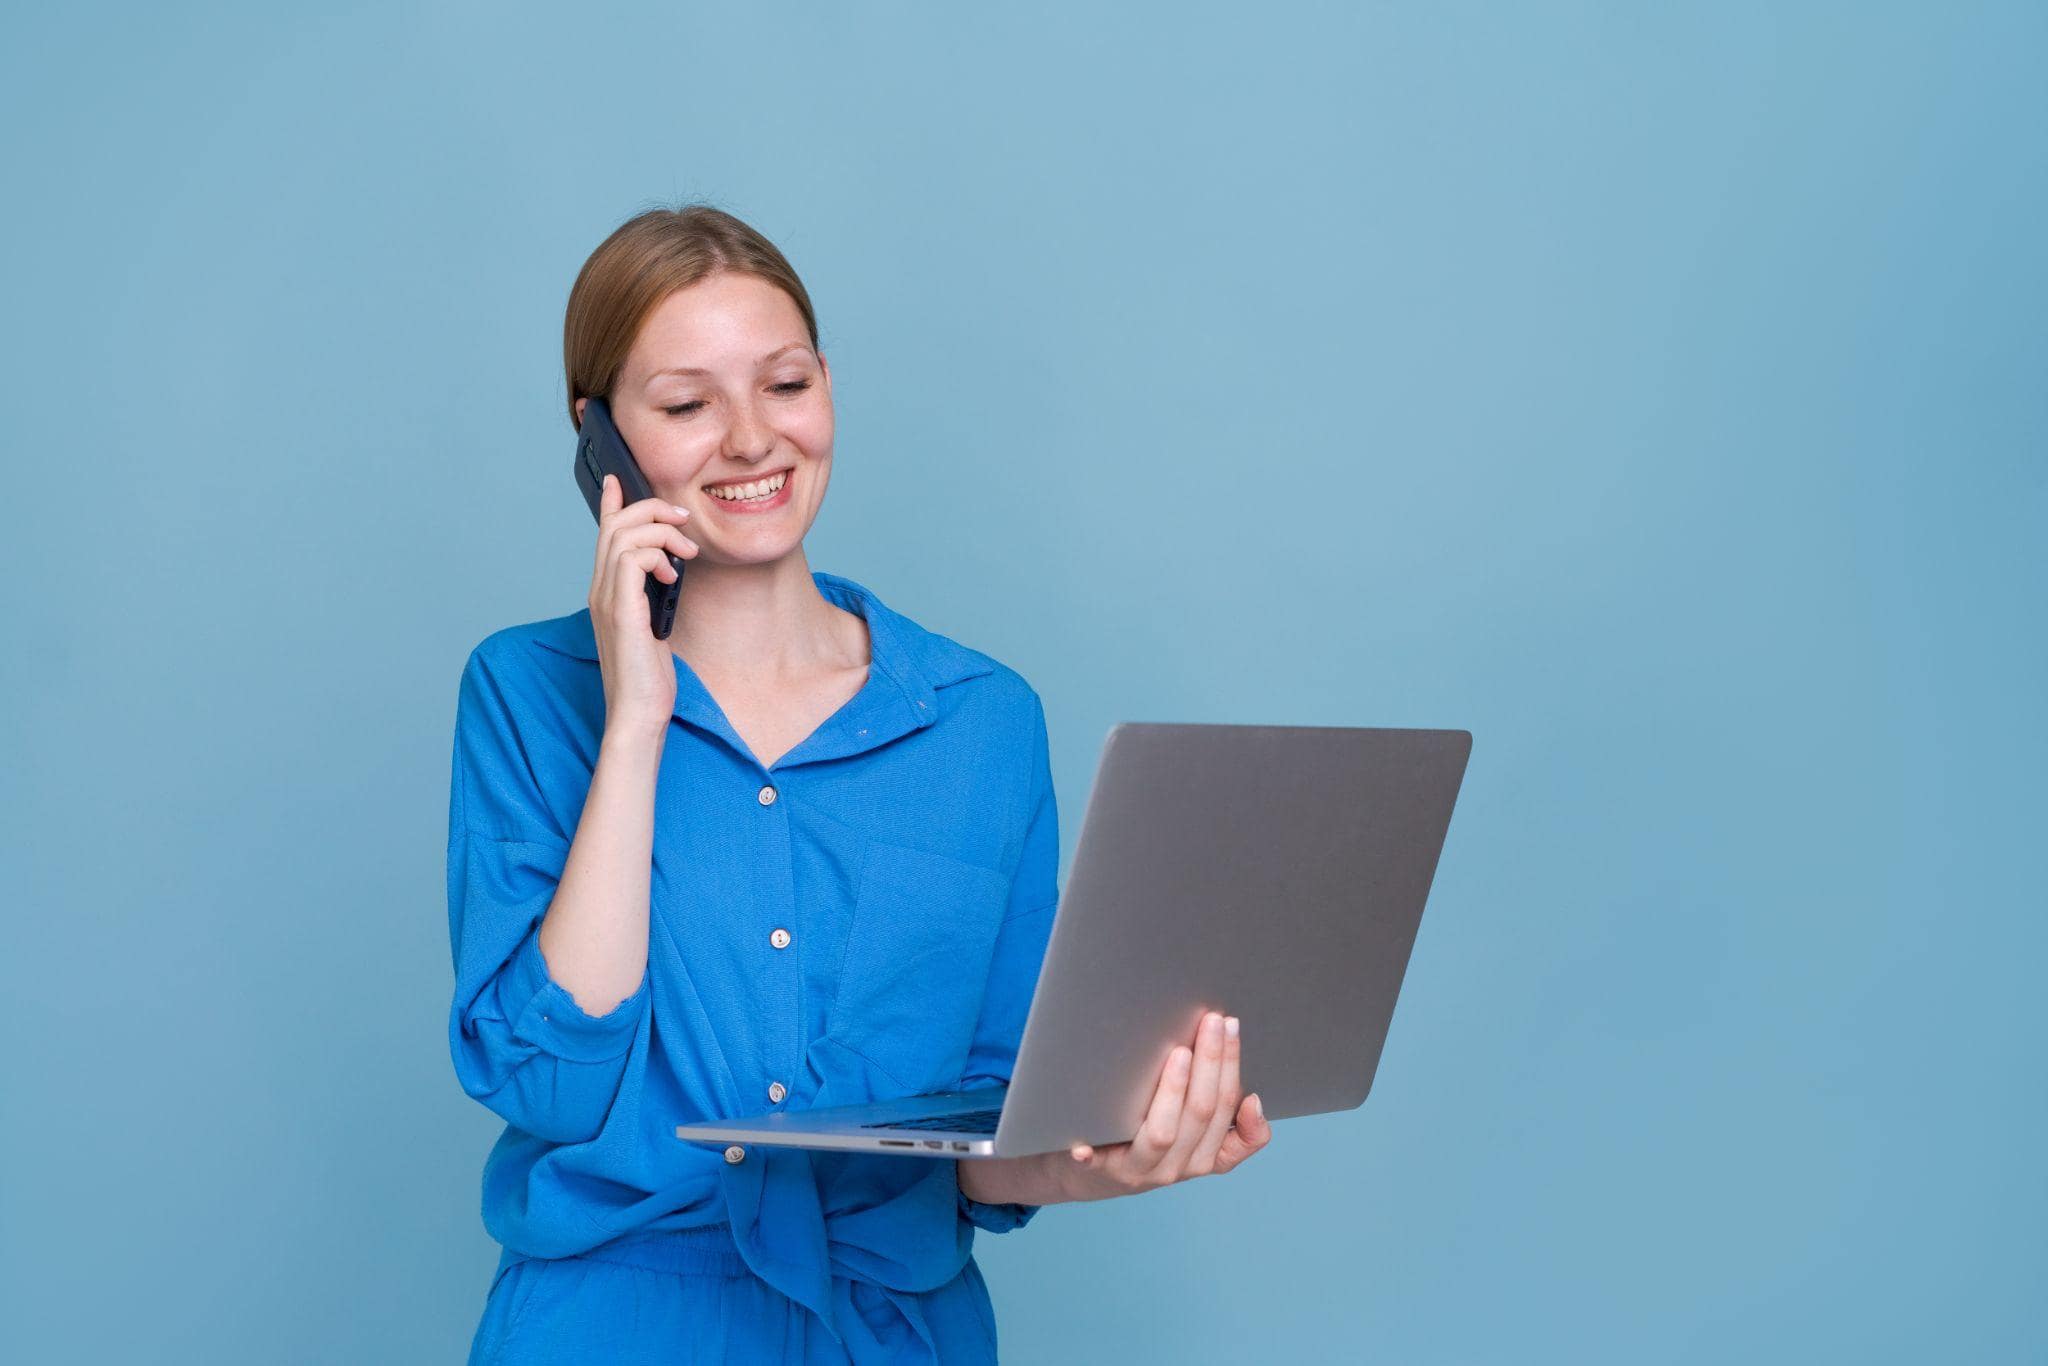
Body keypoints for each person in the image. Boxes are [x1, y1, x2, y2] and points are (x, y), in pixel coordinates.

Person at [447, 204, 1274, 1365]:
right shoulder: (528, 695)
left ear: (826, 385)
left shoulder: (983, 721)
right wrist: (635, 719)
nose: (749, 440)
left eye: (783, 384)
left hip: (893, 1332)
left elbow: (988, 1134)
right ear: (601, 441)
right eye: (686, 405)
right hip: (614, 1325)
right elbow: (548, 1080)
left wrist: (1112, 1155)